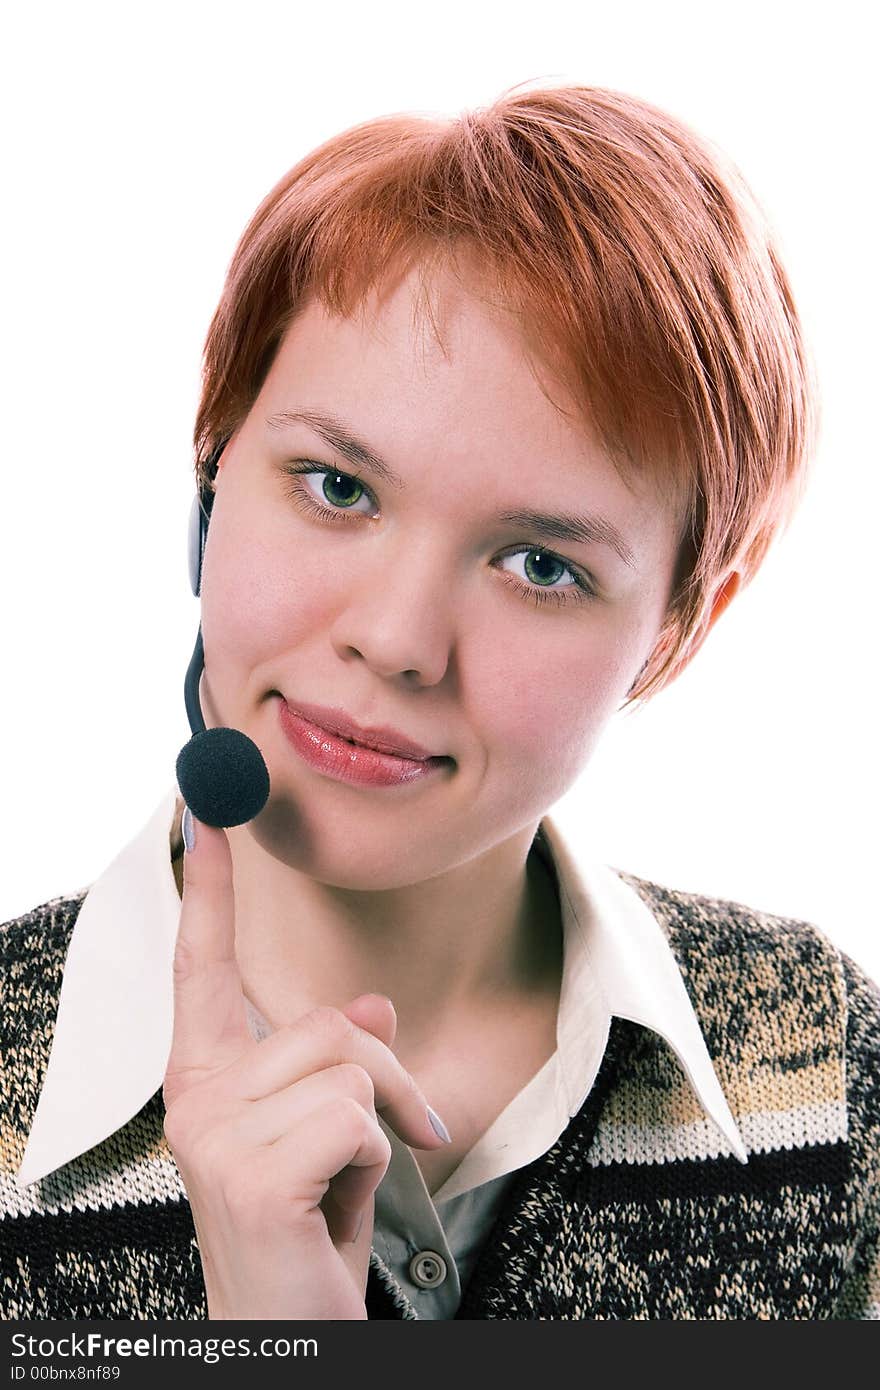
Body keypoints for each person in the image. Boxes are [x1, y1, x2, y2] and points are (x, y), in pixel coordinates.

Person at [2, 82, 878, 1322]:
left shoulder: (823, 1070)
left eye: (541, 565)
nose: (399, 641)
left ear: (679, 626)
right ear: (211, 472)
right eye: (337, 487)